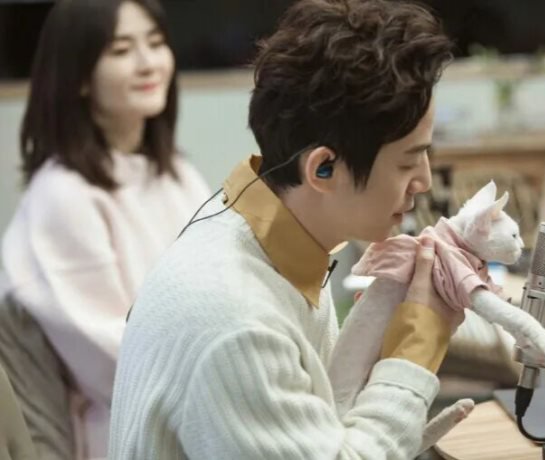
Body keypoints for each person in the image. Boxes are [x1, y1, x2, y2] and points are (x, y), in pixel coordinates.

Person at [109, 0, 463, 458]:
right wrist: (413, 356)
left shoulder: (264, 230)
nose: (425, 181)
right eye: (407, 161)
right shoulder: (238, 326)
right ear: (323, 169)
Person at [1, 0, 210, 458]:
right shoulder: (63, 195)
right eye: (121, 50)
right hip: (131, 432)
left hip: (201, 405)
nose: (148, 63)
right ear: (77, 76)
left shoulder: (176, 173)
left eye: (155, 43)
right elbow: (116, 360)